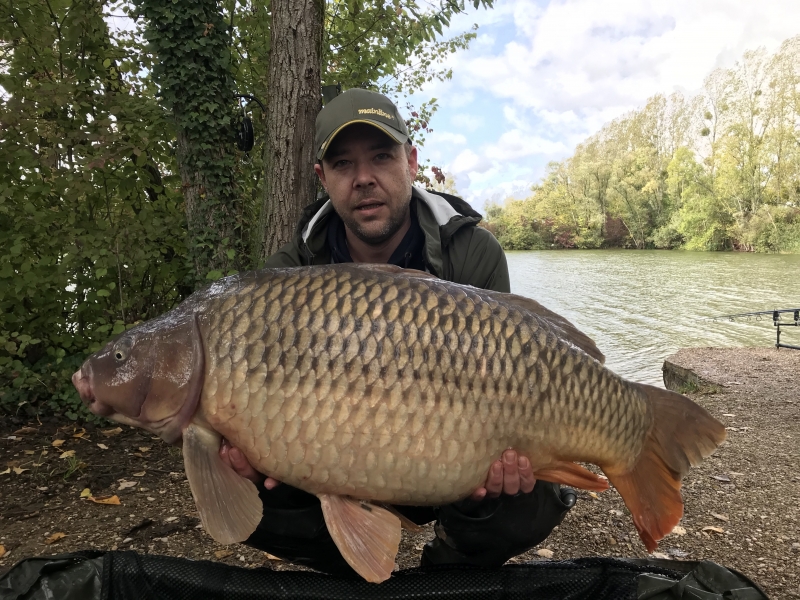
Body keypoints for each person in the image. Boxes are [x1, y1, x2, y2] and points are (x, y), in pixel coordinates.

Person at [219, 88, 576, 574]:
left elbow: (511, 370)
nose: (364, 179)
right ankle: (351, 572)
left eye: (381, 157)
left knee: (527, 491)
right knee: (245, 477)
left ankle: (447, 571)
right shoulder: (290, 272)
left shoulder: (472, 252)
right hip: (336, 458)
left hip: (453, 458)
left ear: (410, 161)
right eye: (343, 164)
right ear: (323, 178)